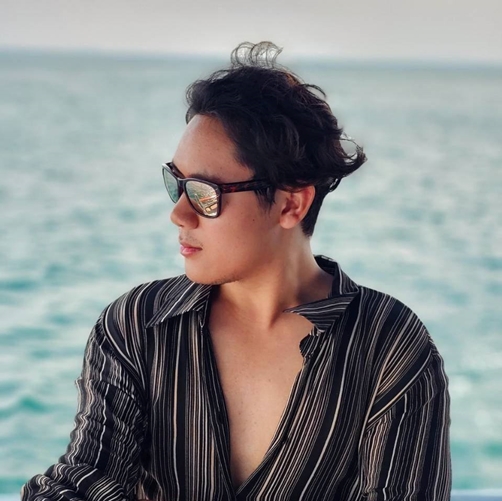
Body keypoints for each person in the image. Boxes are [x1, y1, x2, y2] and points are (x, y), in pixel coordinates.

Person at [22, 41, 451, 501]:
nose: (179, 214)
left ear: (291, 204)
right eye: (176, 183)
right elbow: (84, 479)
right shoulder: (136, 325)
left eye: (204, 193)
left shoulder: (390, 347)